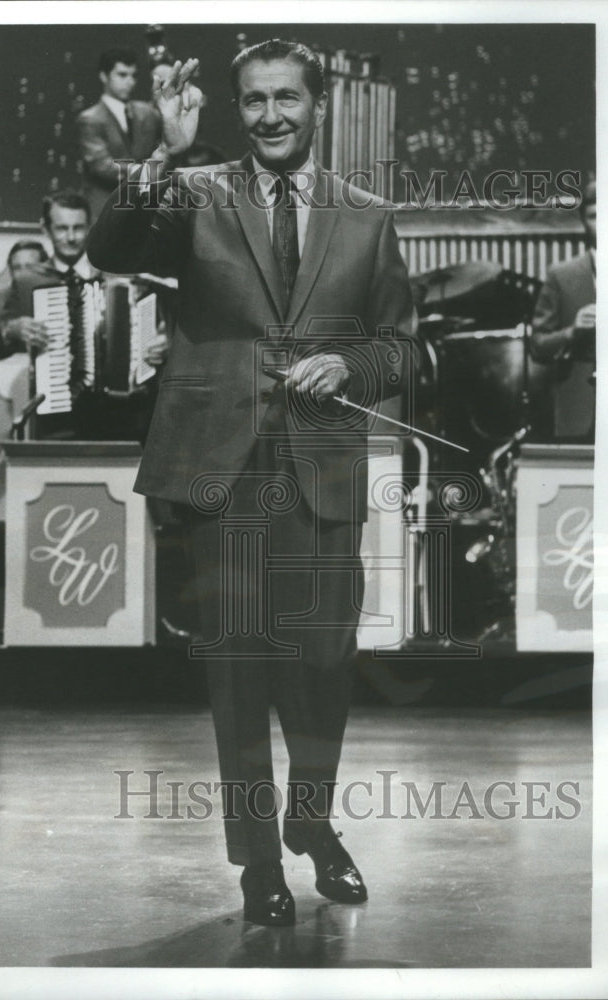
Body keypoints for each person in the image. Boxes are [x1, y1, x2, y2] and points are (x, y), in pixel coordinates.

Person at [87, 40, 418, 926]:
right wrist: (159, 149)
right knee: (237, 674)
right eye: (255, 100)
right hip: (220, 472)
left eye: (288, 99)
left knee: (320, 666)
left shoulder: (365, 214)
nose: (272, 115)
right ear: (237, 109)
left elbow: (402, 345)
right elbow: (110, 248)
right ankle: (259, 860)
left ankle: (312, 823)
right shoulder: (194, 193)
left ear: (318, 108)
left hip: (319, 475)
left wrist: (348, 366)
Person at [0, 188, 166, 441]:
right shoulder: (28, 281)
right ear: (45, 229)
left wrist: (162, 342)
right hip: (58, 421)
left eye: (79, 228)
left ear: (89, 227)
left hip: (123, 418)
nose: (71, 237)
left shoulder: (117, 273)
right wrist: (11, 329)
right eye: (62, 229)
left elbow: (164, 330)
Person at [530, 178, 596, 439]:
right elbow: (537, 345)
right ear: (584, 222)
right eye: (594, 216)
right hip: (577, 410)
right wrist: (572, 332)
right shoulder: (562, 275)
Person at [76, 48, 162, 220]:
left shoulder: (147, 113)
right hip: (104, 211)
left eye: (133, 75)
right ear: (103, 76)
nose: (130, 82)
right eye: (122, 75)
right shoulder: (90, 119)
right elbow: (102, 166)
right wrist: (146, 172)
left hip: (141, 209)